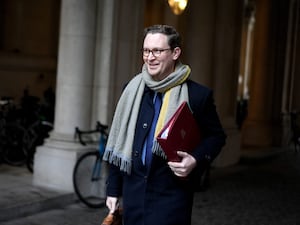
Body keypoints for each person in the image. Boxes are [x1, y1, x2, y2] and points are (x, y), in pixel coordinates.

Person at [103, 24, 226, 225]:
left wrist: (195, 159)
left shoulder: (198, 96)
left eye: (157, 51)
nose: (150, 57)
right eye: (146, 51)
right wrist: (113, 190)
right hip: (133, 199)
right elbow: (118, 140)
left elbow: (217, 137)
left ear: (175, 52)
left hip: (172, 201)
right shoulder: (131, 91)